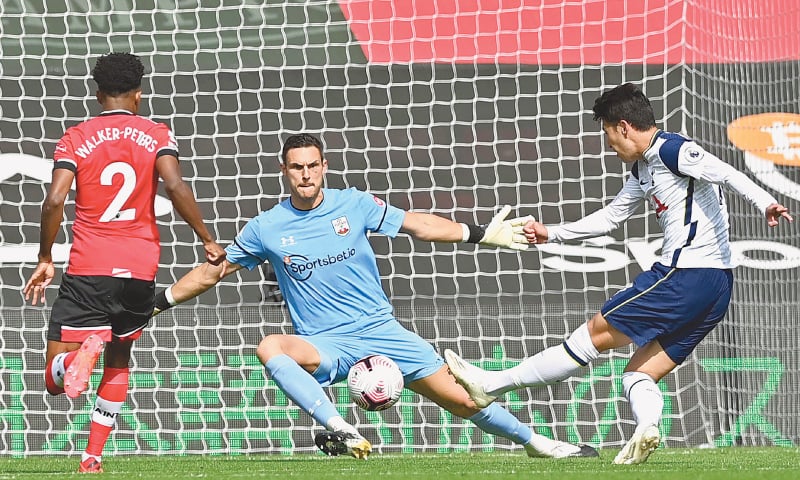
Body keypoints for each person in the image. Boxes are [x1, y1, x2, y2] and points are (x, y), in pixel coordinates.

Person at [152, 132, 599, 460]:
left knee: (466, 400)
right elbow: (214, 272)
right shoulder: (266, 227)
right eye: (296, 167)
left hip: (382, 331)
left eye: (312, 165)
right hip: (325, 342)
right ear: (283, 170)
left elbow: (419, 225)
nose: (305, 174)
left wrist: (479, 235)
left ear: (323, 167)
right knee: (270, 346)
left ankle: (539, 444)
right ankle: (339, 427)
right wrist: (161, 301)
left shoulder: (353, 204)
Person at [444, 82, 794, 465]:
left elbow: (727, 173)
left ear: (624, 126)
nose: (610, 146)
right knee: (637, 376)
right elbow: (612, 217)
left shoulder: (673, 150)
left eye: (610, 136)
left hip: (685, 274)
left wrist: (766, 203)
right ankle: (647, 427)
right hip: (717, 288)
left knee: (593, 333)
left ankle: (492, 385)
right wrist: (551, 234)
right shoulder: (642, 168)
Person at [22, 52, 226, 473]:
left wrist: (45, 256)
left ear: (98, 95)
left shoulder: (76, 136)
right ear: (138, 95)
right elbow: (174, 184)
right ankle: (92, 457)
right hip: (139, 271)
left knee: (53, 380)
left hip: (89, 267)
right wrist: (207, 239)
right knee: (118, 362)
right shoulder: (156, 133)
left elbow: (55, 198)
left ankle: (75, 358)